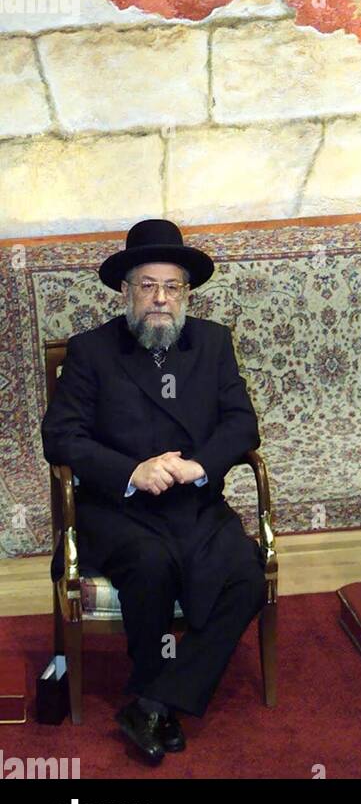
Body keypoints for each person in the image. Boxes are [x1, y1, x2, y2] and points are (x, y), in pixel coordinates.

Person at [42, 219, 266, 765]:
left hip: (193, 503)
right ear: (126, 292)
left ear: (186, 293)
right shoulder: (92, 351)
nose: (161, 299)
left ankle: (154, 701)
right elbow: (60, 437)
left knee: (246, 574)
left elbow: (242, 425)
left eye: (173, 287)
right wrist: (132, 471)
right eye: (148, 286)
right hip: (120, 508)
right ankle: (155, 691)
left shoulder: (212, 342)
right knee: (150, 562)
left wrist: (198, 466)